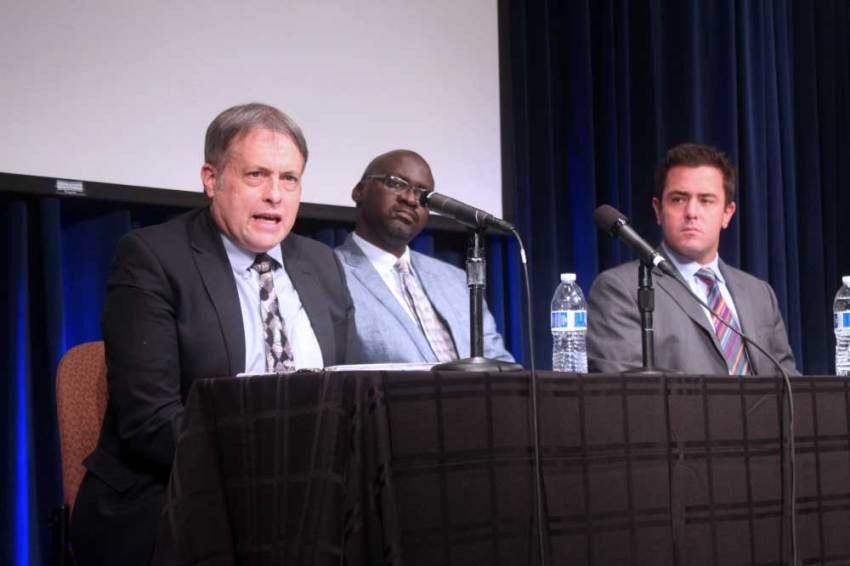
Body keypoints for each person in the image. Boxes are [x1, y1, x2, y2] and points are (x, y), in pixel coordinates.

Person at [70, 103, 360, 565]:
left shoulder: (322, 265)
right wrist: (274, 472)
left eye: (290, 179)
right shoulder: (154, 257)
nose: (275, 195)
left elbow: (352, 388)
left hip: (307, 498)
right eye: (256, 175)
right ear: (211, 179)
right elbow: (150, 419)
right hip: (180, 493)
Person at [586, 143, 798, 375]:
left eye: (706, 200)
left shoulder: (760, 294)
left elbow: (791, 389)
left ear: (727, 213)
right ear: (658, 210)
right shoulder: (620, 289)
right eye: (678, 199)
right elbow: (625, 397)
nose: (692, 212)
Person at [335, 149, 514, 364]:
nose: (411, 199)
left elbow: (499, 363)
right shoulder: (330, 274)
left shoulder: (456, 279)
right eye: (396, 183)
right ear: (359, 191)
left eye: (423, 195)